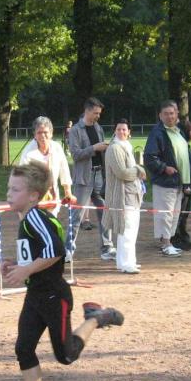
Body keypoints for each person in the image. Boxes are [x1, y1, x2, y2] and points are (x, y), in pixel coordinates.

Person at [0, 161, 123, 381]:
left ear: (33, 195)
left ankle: (96, 318)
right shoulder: (28, 219)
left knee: (66, 355)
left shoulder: (36, 217)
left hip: (54, 297)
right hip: (36, 295)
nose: (9, 194)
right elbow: (39, 255)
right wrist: (17, 265)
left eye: (15, 189)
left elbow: (55, 251)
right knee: (23, 348)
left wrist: (25, 270)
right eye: (9, 188)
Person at [143, 100, 191, 257]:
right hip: (165, 182)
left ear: (177, 114)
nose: (169, 116)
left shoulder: (178, 132)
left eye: (172, 113)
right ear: (160, 116)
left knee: (174, 214)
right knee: (165, 214)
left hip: (180, 181)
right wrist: (164, 168)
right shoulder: (157, 133)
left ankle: (169, 242)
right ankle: (165, 244)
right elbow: (150, 157)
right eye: (166, 114)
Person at [66, 97, 115, 261]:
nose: (98, 116)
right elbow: (75, 154)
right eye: (96, 113)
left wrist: (107, 148)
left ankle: (107, 247)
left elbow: (101, 150)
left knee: (104, 212)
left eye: (99, 113)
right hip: (83, 178)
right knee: (77, 215)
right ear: (87, 111)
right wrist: (94, 148)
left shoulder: (98, 127)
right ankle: (68, 249)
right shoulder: (75, 131)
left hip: (99, 175)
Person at [102, 119, 145, 274]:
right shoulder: (115, 148)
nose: (121, 132)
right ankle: (126, 264)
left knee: (131, 230)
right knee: (126, 230)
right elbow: (122, 173)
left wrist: (136, 171)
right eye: (118, 129)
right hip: (123, 195)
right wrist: (139, 170)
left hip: (132, 194)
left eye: (124, 129)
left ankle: (127, 261)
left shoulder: (127, 146)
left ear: (129, 132)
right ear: (114, 131)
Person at [18, 116, 75, 216]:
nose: (42, 136)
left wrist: (68, 192)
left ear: (51, 133)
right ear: (34, 135)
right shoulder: (28, 153)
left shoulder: (57, 148)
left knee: (50, 222)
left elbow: (64, 170)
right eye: (39, 133)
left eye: (45, 132)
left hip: (52, 197)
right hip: (33, 199)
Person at [170, 117, 191, 251]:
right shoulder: (181, 146)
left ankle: (183, 236)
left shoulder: (186, 146)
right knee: (179, 213)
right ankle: (176, 238)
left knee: (184, 213)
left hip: (190, 185)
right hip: (184, 185)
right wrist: (186, 185)